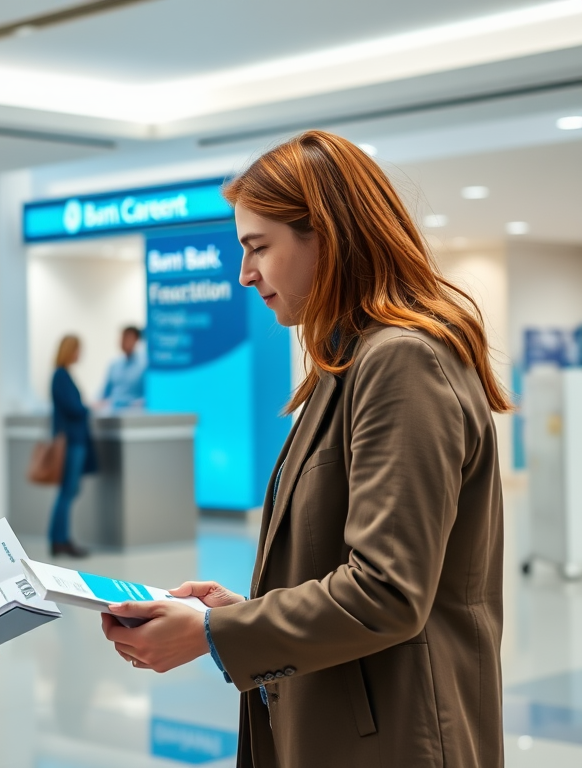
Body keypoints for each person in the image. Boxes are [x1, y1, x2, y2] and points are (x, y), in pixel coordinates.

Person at [98, 131, 510, 768]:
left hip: (400, 737)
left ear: (328, 235)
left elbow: (387, 591)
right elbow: (348, 562)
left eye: (258, 247)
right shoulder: (349, 362)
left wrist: (212, 634)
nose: (245, 274)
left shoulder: (400, 360)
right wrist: (244, 611)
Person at [48, 334, 97, 557]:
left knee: (68, 491)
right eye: (77, 350)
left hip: (74, 440)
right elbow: (74, 408)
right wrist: (89, 407)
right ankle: (60, 539)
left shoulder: (63, 375)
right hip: (72, 442)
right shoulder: (61, 376)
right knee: (67, 492)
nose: (80, 354)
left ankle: (60, 539)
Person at [99, 325, 146, 410]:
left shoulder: (144, 365)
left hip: (135, 414)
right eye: (122, 338)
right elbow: (104, 393)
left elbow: (150, 394)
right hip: (114, 414)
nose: (123, 341)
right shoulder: (114, 365)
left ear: (136, 340)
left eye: (127, 338)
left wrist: (141, 403)